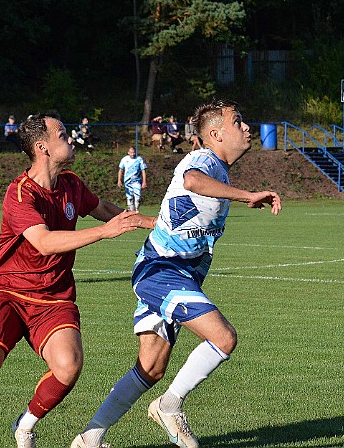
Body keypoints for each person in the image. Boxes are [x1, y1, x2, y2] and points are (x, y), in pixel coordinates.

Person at [71, 99, 282, 448]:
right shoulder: (203, 161)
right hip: (160, 271)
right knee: (223, 337)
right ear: (215, 134)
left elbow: (181, 210)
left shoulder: (220, 170)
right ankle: (169, 405)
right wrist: (247, 196)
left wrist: (150, 221)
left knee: (151, 368)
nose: (247, 128)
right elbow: (192, 180)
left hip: (173, 272)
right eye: (238, 122)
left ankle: (89, 438)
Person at [0, 112, 152, 448]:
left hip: (53, 297)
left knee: (69, 367)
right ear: (44, 147)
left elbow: (107, 210)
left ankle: (25, 424)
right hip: (7, 292)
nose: (70, 139)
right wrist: (104, 233)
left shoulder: (71, 185)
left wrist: (155, 223)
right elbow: (44, 241)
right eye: (63, 134)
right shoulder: (20, 194)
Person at [118, 146, 147, 211]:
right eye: (131, 153)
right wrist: (119, 180)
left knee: (137, 198)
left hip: (137, 181)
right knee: (129, 197)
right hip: (127, 182)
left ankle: (136, 210)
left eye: (133, 152)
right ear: (128, 152)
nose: (132, 154)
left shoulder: (139, 159)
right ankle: (131, 212)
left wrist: (144, 182)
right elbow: (121, 170)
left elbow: (143, 171)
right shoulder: (124, 159)